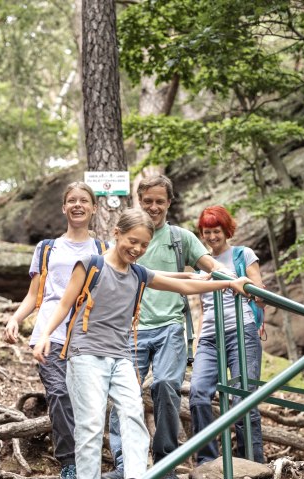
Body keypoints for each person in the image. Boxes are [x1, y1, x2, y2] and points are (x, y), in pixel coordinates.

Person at [32, 208, 253, 479]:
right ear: (117, 234)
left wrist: (229, 283)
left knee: (134, 419)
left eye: (144, 245)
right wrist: (44, 335)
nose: (137, 249)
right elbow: (64, 304)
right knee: (90, 426)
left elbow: (182, 287)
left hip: (122, 357)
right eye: (132, 241)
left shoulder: (138, 273)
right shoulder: (90, 264)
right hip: (86, 354)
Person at [105, 175, 228, 479]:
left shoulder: (180, 237)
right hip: (131, 328)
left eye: (160, 201)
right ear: (139, 201)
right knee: (123, 395)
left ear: (170, 202)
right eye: (148, 201)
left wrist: (231, 277)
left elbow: (209, 264)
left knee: (165, 387)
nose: (154, 207)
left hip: (171, 327)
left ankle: (165, 463)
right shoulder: (128, 238)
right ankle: (126, 466)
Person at [3, 181, 104, 479]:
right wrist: (15, 319)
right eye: (71, 200)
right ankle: (69, 463)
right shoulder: (47, 248)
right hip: (49, 335)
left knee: (86, 401)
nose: (77, 205)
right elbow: (35, 294)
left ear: (93, 208)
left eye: (84, 200)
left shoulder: (102, 249)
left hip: (87, 337)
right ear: (63, 207)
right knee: (59, 394)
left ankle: (91, 461)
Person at [190, 205, 265, 464]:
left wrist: (246, 286)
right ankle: (207, 462)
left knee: (241, 399)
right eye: (206, 232)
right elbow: (203, 309)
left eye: (216, 231)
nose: (211, 236)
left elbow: (262, 296)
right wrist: (197, 343)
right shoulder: (201, 265)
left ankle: (252, 463)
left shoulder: (243, 254)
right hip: (210, 338)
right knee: (198, 393)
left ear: (226, 230)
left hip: (242, 333)